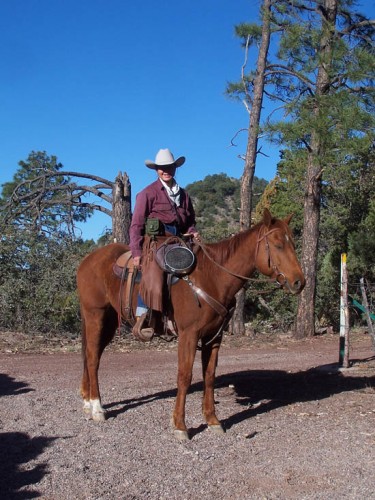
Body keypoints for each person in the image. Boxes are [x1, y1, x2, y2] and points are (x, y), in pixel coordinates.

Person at [129, 148, 200, 337]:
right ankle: (143, 317)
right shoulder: (147, 194)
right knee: (153, 271)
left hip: (180, 241)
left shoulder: (183, 195)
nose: (165, 170)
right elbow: (136, 225)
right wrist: (136, 252)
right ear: (156, 170)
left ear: (175, 168)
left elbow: (190, 222)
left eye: (169, 167)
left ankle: (193, 316)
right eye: (161, 168)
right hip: (155, 242)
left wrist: (192, 232)